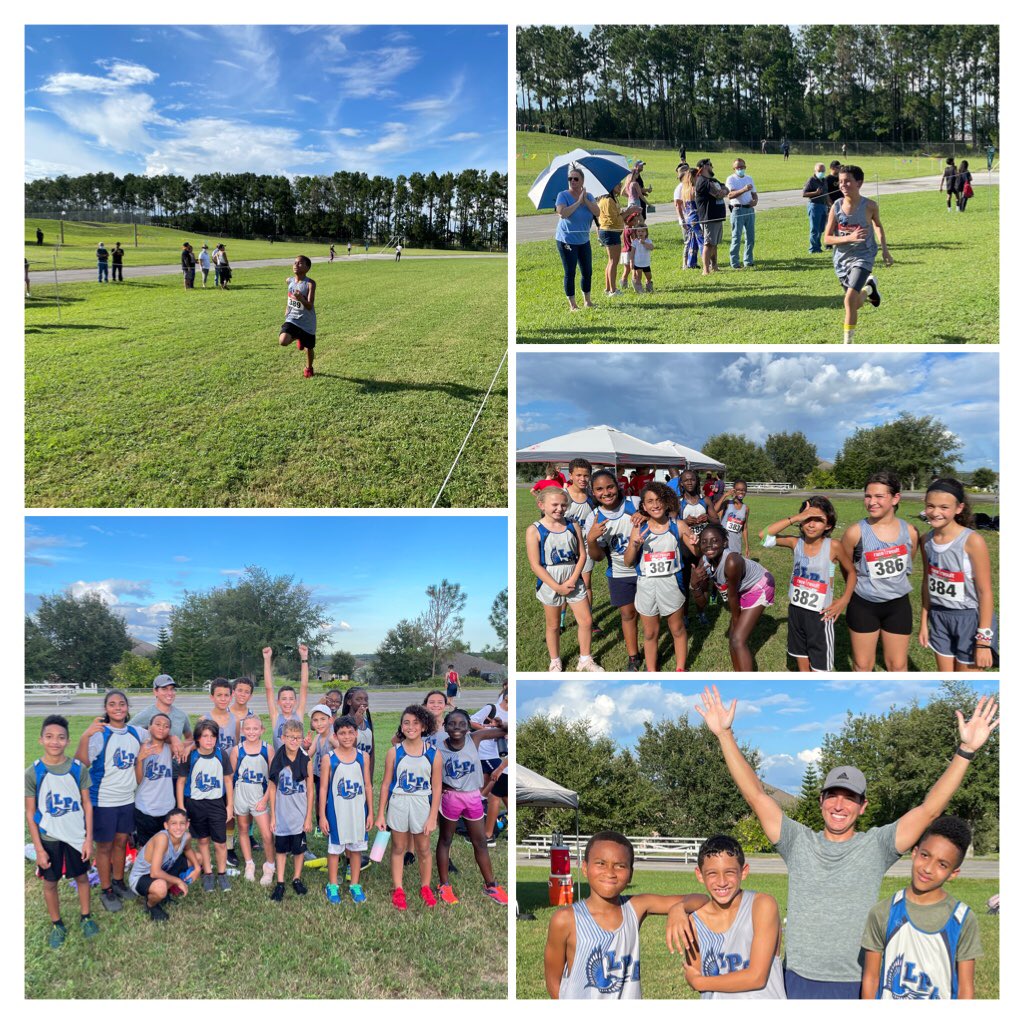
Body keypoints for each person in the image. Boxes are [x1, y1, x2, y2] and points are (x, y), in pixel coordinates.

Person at [695, 685, 999, 999]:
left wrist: (966, 752)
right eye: (833, 796)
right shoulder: (797, 841)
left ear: (863, 806)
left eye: (850, 799)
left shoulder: (878, 845)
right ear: (821, 800)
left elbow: (930, 809)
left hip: (858, 982)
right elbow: (756, 795)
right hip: (799, 980)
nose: (840, 806)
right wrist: (724, 734)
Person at [545, 831, 708, 999]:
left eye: (620, 866)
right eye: (601, 863)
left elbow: (701, 898)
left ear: (631, 873)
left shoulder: (635, 907)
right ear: (585, 868)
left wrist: (679, 908)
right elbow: (552, 979)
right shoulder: (565, 919)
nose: (610, 872)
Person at [861, 816, 982, 999]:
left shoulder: (963, 919)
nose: (928, 868)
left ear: (953, 874)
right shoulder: (883, 912)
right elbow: (871, 978)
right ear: (914, 853)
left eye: (942, 864)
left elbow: (966, 989)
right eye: (925, 855)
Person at [25, 715, 99, 948]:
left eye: (60, 738)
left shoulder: (78, 769)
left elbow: (87, 804)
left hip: (76, 836)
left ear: (68, 741)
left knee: (82, 877)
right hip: (50, 837)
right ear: (41, 740)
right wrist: (38, 848)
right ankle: (57, 923)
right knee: (50, 882)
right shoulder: (33, 772)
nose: (54, 742)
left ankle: (86, 917)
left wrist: (88, 839)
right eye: (49, 737)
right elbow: (30, 812)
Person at [681, 835, 786, 999]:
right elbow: (694, 973)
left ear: (744, 872)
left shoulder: (762, 905)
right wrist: (678, 909)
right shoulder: (694, 922)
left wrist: (700, 982)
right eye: (712, 873)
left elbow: (756, 977)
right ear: (699, 875)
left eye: (729, 872)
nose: (721, 882)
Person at [761, 497, 857, 672]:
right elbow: (764, 536)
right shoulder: (795, 543)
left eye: (818, 520)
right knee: (801, 656)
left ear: (828, 525)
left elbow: (851, 572)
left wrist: (844, 600)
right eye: (807, 519)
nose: (811, 525)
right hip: (796, 611)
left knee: (820, 669)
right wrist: (795, 518)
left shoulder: (833, 546)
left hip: (820, 615)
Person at [75, 690, 145, 912]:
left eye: (122, 704)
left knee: (121, 842)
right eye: (112, 704)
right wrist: (85, 735)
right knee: (104, 846)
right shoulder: (100, 734)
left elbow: (158, 732)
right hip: (103, 800)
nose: (117, 708)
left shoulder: (136, 733)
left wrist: (176, 739)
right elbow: (81, 761)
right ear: (106, 709)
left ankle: (118, 881)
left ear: (127, 707)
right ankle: (106, 889)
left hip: (126, 799)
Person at [839, 471, 918, 671]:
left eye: (879, 496)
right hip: (864, 605)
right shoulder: (855, 532)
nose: (872, 502)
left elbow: (909, 562)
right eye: (868, 496)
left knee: (898, 666)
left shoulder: (909, 531)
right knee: (862, 665)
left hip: (898, 605)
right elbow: (846, 568)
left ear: (895, 498)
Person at [919, 477, 996, 672]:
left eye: (944, 507)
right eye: (931, 506)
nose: (936, 512)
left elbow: (985, 592)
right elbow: (927, 582)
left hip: (969, 619)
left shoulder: (972, 541)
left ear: (959, 508)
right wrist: (923, 623)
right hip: (939, 617)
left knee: (966, 678)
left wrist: (983, 642)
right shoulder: (926, 540)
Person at [434, 709, 509, 905]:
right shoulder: (438, 746)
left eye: (461, 724)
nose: (457, 728)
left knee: (480, 841)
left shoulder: (475, 738)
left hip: (473, 796)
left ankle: (491, 885)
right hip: (450, 797)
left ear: (469, 726)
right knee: (445, 839)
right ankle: (444, 885)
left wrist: (501, 724)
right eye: (452, 724)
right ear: (445, 727)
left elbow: (506, 731)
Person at [526, 485, 600, 672]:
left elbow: (582, 555)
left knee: (586, 621)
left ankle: (585, 659)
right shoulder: (534, 530)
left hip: (573, 577)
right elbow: (535, 565)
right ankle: (555, 660)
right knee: (553, 625)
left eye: (563, 505)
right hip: (550, 580)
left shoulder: (572, 525)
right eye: (555, 505)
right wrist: (556, 587)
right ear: (541, 505)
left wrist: (574, 579)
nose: (560, 509)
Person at [376, 704, 443, 910]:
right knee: (398, 847)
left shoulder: (433, 753)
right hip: (399, 803)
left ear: (424, 726)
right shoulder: (394, 752)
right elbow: (386, 784)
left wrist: (433, 817)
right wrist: (380, 815)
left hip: (422, 804)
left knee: (423, 848)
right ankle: (398, 888)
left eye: (416, 723)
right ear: (401, 726)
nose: (411, 726)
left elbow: (437, 787)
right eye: (406, 722)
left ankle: (425, 887)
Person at [623, 482, 695, 671]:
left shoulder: (677, 525)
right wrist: (634, 546)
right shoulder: (639, 529)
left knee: (677, 628)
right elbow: (628, 562)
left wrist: (695, 541)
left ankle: (680, 668)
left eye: (659, 500)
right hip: (646, 585)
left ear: (666, 502)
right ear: (644, 506)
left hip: (672, 583)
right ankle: (651, 670)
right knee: (649, 633)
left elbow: (695, 551)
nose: (655, 505)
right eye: (650, 501)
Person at [823, 164, 893, 344]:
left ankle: (848, 344)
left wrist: (885, 249)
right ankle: (870, 288)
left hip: (864, 256)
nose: (843, 185)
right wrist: (849, 237)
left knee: (848, 301)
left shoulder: (870, 206)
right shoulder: (836, 207)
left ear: (859, 183)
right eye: (840, 182)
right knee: (855, 303)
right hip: (842, 260)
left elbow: (877, 225)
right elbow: (827, 239)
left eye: (847, 181)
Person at [691, 524, 775, 671]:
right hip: (740, 589)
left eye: (714, 541)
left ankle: (747, 685)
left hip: (759, 585)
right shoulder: (703, 563)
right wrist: (695, 585)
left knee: (737, 640)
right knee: (733, 639)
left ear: (724, 543)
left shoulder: (732, 561)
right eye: (704, 541)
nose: (709, 545)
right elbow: (703, 602)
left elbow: (732, 596)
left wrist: (736, 622)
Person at [585, 469, 643, 671]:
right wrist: (591, 539)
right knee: (628, 614)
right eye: (599, 489)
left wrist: (644, 514)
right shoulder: (593, 517)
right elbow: (598, 557)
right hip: (619, 574)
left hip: (647, 571)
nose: (606, 492)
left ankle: (652, 648)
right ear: (593, 492)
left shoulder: (635, 503)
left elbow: (661, 512)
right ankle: (633, 656)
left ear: (618, 486)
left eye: (610, 487)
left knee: (651, 614)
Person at [319, 715, 373, 905]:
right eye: (342, 733)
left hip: (358, 810)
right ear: (336, 735)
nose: (347, 736)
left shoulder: (362, 757)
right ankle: (332, 885)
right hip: (337, 811)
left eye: (351, 733)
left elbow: (367, 785)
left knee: (356, 848)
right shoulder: (329, 758)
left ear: (356, 734)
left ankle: (355, 884)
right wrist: (322, 816)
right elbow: (323, 789)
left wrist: (371, 812)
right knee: (335, 850)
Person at [175, 718, 233, 893]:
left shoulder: (221, 754)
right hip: (195, 804)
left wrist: (229, 805)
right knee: (202, 840)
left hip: (216, 803)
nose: (209, 740)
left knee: (220, 843)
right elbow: (180, 782)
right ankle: (208, 873)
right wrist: (181, 807)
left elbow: (228, 780)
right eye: (205, 736)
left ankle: (221, 873)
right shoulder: (190, 756)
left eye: (212, 736)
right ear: (197, 739)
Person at [128, 807, 201, 923]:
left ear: (187, 825)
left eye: (182, 823)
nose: (178, 828)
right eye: (173, 824)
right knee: (160, 888)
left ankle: (166, 891)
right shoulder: (162, 838)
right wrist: (178, 881)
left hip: (164, 869)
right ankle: (151, 904)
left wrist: (197, 868)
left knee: (198, 858)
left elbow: (188, 850)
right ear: (166, 826)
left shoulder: (186, 837)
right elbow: (155, 872)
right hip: (142, 877)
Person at [267, 719, 314, 901]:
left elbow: (310, 790)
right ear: (283, 737)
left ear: (302, 739)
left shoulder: (306, 760)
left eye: (297, 738)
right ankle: (280, 882)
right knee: (281, 849)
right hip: (282, 814)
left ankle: (296, 878)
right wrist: (273, 817)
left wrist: (308, 816)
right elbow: (272, 788)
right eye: (290, 737)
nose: (294, 741)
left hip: (299, 814)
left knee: (298, 850)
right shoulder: (277, 760)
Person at [230, 714, 276, 885]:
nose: (251, 732)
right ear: (242, 730)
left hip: (259, 796)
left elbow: (273, 778)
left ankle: (270, 865)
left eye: (255, 728)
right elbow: (230, 777)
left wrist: (265, 799)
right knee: (242, 829)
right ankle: (249, 864)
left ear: (262, 730)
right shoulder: (237, 750)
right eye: (248, 728)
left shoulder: (267, 749)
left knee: (266, 834)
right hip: (241, 794)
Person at [554, 164, 600, 311]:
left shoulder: (590, 196)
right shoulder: (563, 195)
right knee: (570, 271)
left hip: (583, 240)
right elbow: (563, 213)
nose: (572, 181)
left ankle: (587, 301)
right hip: (566, 240)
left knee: (587, 271)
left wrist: (585, 200)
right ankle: (573, 305)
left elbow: (597, 212)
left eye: (575, 178)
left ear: (582, 181)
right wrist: (578, 202)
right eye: (570, 178)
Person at [564, 457, 600, 633]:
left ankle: (589, 620)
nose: (582, 479)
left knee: (586, 584)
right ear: (570, 475)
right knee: (564, 585)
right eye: (578, 475)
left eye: (586, 475)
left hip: (585, 547)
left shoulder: (592, 499)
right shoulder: (563, 497)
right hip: (566, 550)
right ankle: (561, 622)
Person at [470, 685, 509, 844]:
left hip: (501, 759)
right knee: (494, 792)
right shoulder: (492, 708)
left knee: (496, 796)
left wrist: (501, 768)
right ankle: (481, 823)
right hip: (485, 754)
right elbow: (472, 721)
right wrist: (488, 728)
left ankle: (488, 834)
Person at [133, 712, 177, 849]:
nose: (161, 728)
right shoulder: (141, 748)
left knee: (165, 846)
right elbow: (138, 780)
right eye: (157, 724)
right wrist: (140, 759)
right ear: (149, 727)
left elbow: (193, 743)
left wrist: (176, 740)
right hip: (145, 807)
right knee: (146, 848)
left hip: (166, 807)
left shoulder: (170, 749)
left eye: (166, 726)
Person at [128, 674, 192, 758]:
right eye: (164, 689)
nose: (170, 693)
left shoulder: (181, 715)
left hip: (174, 766)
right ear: (155, 691)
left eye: (172, 689)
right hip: (153, 765)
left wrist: (180, 746)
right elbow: (126, 732)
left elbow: (190, 738)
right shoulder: (146, 714)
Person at [262, 643, 310, 751]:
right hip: (280, 765)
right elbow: (269, 689)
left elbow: (304, 687)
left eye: (291, 699)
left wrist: (304, 658)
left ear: (295, 701)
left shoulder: (298, 715)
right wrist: (267, 659)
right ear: (278, 702)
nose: (287, 702)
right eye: (284, 699)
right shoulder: (276, 717)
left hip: (297, 764)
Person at [278, 255, 317, 379]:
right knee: (283, 341)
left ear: (307, 268)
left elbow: (310, 306)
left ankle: (309, 368)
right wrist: (287, 308)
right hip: (292, 318)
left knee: (308, 348)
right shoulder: (290, 281)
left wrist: (301, 299)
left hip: (307, 322)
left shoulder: (310, 284)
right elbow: (290, 294)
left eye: (300, 263)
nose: (296, 265)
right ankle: (297, 337)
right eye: (295, 262)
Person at [694, 159, 728, 274]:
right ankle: (706, 269)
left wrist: (722, 191)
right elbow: (717, 194)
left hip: (717, 215)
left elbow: (725, 188)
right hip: (709, 217)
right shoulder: (702, 181)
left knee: (714, 243)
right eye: (710, 165)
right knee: (708, 243)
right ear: (703, 167)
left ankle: (714, 266)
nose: (712, 167)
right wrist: (721, 192)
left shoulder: (713, 180)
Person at [725, 158, 757, 268]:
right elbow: (730, 195)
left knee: (750, 237)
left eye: (742, 167)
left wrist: (755, 201)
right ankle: (734, 262)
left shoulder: (749, 178)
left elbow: (754, 194)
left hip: (749, 209)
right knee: (736, 237)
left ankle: (748, 261)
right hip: (738, 210)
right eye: (738, 167)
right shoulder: (731, 179)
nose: (740, 169)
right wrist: (744, 189)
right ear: (734, 169)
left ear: (745, 167)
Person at [596, 180, 626, 297]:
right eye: (617, 184)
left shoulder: (609, 199)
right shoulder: (608, 200)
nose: (620, 186)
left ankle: (608, 288)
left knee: (611, 261)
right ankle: (613, 290)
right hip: (610, 231)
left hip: (609, 231)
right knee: (614, 262)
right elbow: (614, 220)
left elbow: (614, 216)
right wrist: (628, 212)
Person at [202, 677, 240, 758]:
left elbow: (236, 744)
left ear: (230, 697)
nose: (223, 699)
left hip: (230, 767)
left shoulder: (236, 720)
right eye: (219, 695)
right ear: (212, 697)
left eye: (226, 695)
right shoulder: (204, 720)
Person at [714, 480, 751, 559]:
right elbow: (714, 510)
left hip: (736, 544)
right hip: (724, 542)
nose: (741, 492)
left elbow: (744, 528)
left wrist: (747, 546)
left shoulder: (746, 508)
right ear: (734, 490)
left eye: (743, 490)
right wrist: (725, 495)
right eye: (738, 489)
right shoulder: (727, 503)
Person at [802, 163, 831, 253]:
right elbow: (804, 194)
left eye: (823, 171)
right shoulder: (811, 180)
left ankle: (817, 246)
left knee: (821, 228)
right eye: (819, 171)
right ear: (815, 171)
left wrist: (829, 205)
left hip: (823, 206)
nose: (821, 173)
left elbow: (826, 194)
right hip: (814, 206)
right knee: (815, 228)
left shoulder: (824, 180)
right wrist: (815, 193)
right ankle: (813, 248)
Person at [629, 223, 654, 293]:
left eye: (642, 231)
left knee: (649, 277)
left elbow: (651, 248)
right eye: (638, 231)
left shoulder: (648, 241)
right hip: (638, 263)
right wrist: (631, 262)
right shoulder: (635, 242)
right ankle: (639, 289)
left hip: (646, 263)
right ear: (636, 233)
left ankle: (649, 286)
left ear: (646, 233)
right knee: (638, 277)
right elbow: (632, 253)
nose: (640, 233)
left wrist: (644, 243)